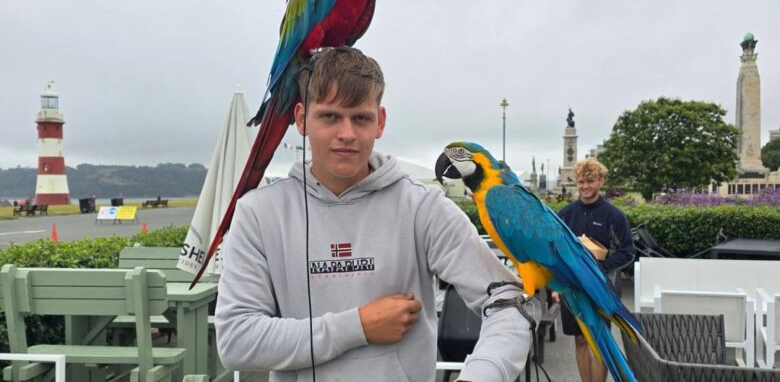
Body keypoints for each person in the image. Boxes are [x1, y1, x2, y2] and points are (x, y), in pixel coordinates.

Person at [215, 47, 530, 382]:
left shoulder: (422, 207)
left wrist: (482, 374)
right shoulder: (259, 213)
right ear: (301, 118)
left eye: (360, 118)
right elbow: (237, 340)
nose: (347, 133)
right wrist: (359, 325)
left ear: (380, 122)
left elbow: (508, 299)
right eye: (330, 116)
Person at [552, 158, 634, 382]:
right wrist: (556, 286)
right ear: (576, 183)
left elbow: (628, 252)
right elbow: (554, 255)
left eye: (590, 181)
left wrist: (598, 267)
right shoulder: (565, 215)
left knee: (599, 340)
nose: (585, 186)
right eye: (581, 182)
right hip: (573, 289)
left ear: (600, 181)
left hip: (602, 289)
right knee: (579, 339)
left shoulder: (614, 216)